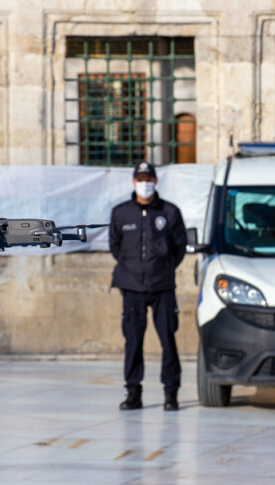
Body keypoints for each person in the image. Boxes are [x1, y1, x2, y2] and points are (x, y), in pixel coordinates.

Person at [109, 161, 187, 411]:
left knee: (168, 340)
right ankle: (133, 393)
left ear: (155, 182)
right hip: (132, 287)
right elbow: (115, 246)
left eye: (148, 179)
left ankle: (171, 393)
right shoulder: (121, 213)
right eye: (140, 179)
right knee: (133, 341)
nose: (144, 184)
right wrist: (133, 269)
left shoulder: (170, 212)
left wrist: (162, 268)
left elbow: (179, 247)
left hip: (162, 287)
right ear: (133, 182)